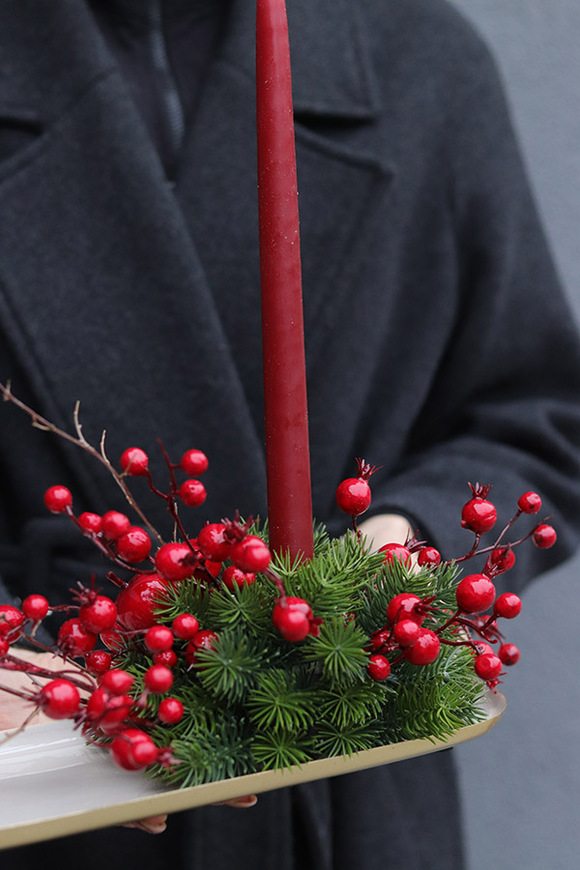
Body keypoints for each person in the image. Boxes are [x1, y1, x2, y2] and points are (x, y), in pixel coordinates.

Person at [1, 0, 580, 867]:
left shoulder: (419, 63)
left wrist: (410, 541)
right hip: (53, 762)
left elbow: (535, 412)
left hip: (351, 777)